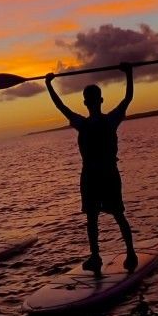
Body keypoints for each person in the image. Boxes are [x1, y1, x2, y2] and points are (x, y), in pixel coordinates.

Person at [45, 63, 138, 274]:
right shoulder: (110, 120)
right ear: (101, 101)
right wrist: (129, 74)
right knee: (117, 215)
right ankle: (129, 252)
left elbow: (61, 107)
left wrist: (48, 85)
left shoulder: (82, 123)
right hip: (107, 175)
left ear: (86, 102)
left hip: (91, 177)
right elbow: (128, 98)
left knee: (92, 219)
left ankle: (97, 256)